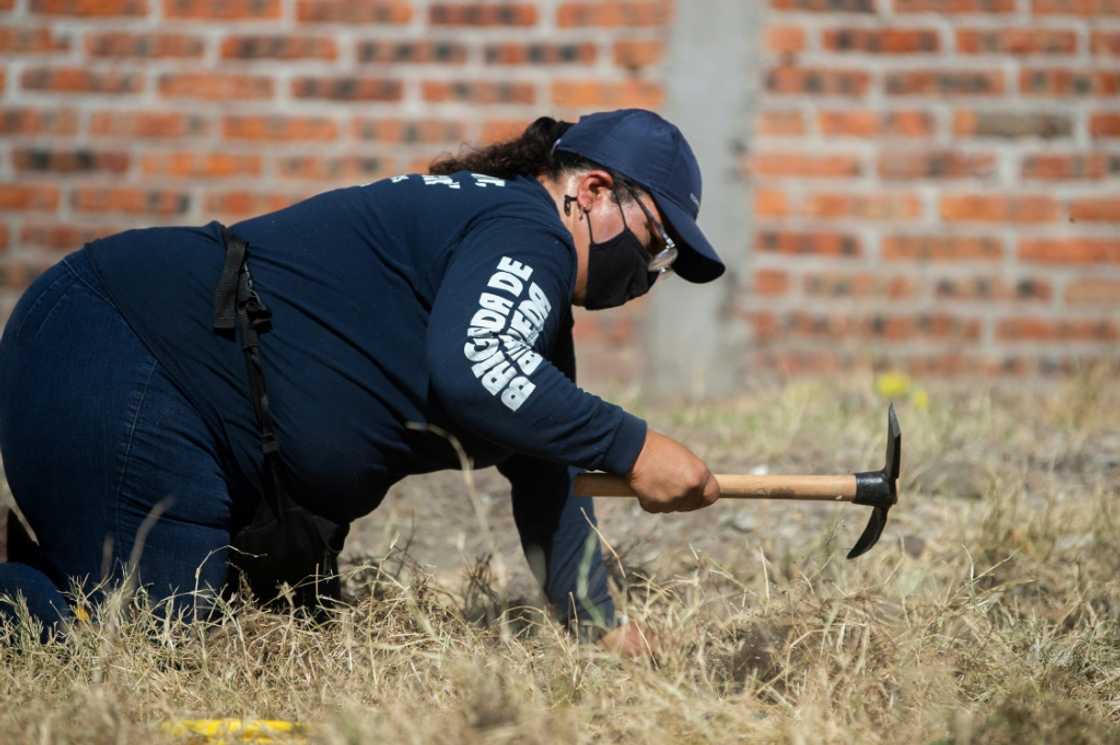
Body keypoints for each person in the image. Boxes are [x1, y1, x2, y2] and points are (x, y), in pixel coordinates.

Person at [0, 108, 724, 648]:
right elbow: (477, 370)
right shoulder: (527, 228)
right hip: (123, 348)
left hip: (156, 380)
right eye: (656, 243)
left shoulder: (519, 266)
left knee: (275, 633)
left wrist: (600, 627)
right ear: (593, 190)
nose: (649, 272)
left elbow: (547, 461)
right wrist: (633, 446)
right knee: (152, 644)